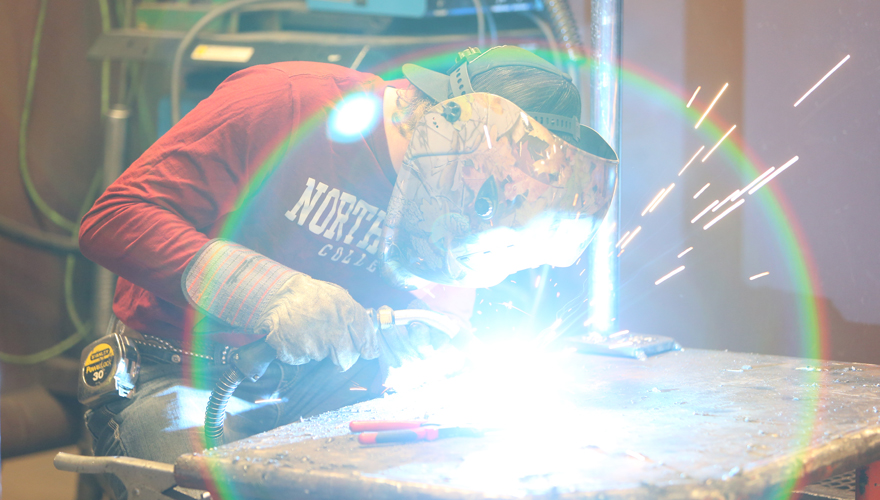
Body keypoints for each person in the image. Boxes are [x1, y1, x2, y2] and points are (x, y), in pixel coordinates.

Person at [77, 45, 616, 491]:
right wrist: (268, 292)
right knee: (204, 481)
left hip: (332, 382)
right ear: (454, 132)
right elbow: (112, 219)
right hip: (182, 369)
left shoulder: (471, 197)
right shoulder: (283, 102)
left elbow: (447, 302)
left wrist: (429, 340)